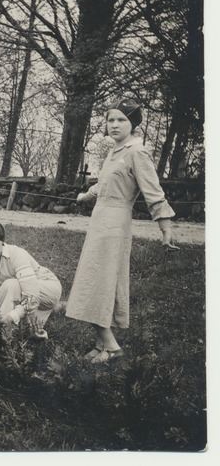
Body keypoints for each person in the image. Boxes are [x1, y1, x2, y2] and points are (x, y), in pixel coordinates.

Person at [66, 98, 178, 364]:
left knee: (98, 282)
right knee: (98, 281)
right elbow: (104, 183)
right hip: (100, 220)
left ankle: (113, 348)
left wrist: (166, 228)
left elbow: (153, 192)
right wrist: (86, 195)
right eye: (111, 119)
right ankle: (100, 345)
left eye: (121, 120)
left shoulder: (136, 152)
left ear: (134, 124)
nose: (114, 124)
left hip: (115, 225)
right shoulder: (115, 151)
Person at [0, 220, 62, 339]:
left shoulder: (17, 254)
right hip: (19, 292)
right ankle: (4, 332)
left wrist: (12, 316)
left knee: (12, 285)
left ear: (3, 242)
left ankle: (3, 337)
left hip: (46, 288)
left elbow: (32, 296)